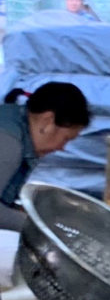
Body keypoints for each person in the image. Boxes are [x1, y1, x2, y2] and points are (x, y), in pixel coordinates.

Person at [0, 83, 91, 231]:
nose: (61, 147)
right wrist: (48, 229)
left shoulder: (15, 124)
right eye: (66, 138)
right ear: (47, 121)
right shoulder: (9, 141)